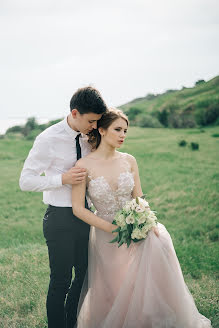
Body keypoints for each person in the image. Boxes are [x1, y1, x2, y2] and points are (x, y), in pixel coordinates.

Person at [71, 108, 212, 328]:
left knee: (152, 259)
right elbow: (78, 209)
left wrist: (147, 222)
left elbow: (139, 198)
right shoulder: (83, 166)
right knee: (113, 288)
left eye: (125, 131)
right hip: (105, 233)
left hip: (136, 227)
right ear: (101, 129)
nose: (123, 135)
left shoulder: (129, 160)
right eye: (118, 129)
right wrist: (111, 228)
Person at [19, 86, 108, 328]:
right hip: (59, 219)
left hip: (86, 216)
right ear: (75, 113)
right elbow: (25, 180)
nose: (93, 126)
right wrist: (62, 179)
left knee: (83, 277)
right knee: (61, 281)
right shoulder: (48, 139)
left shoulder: (92, 135)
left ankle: (73, 323)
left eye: (97, 121)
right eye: (90, 121)